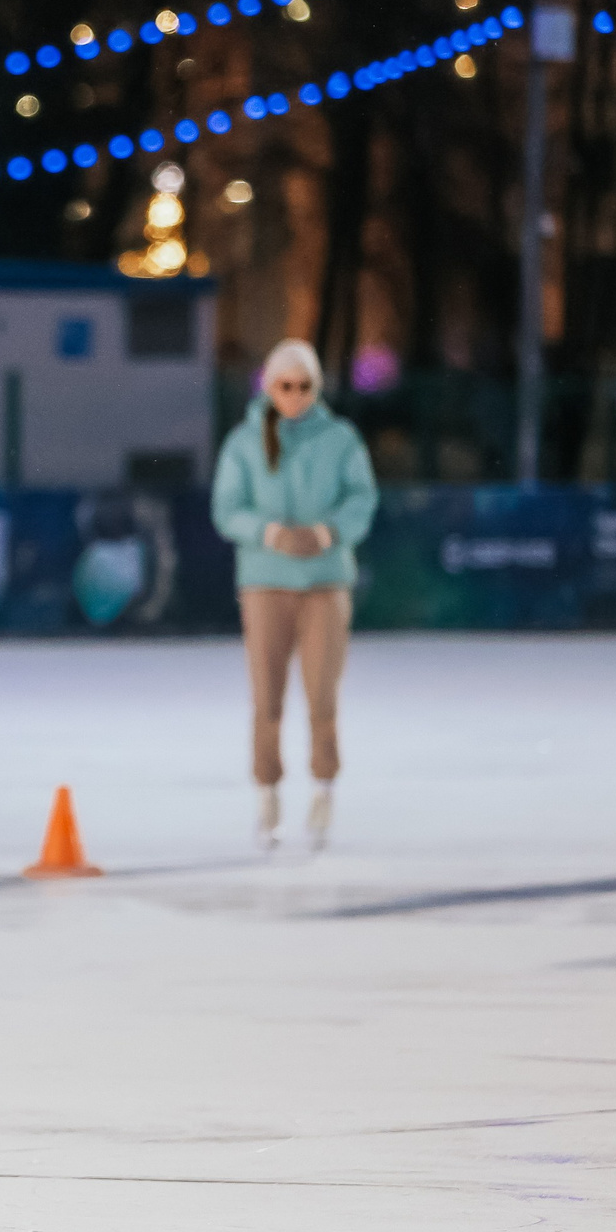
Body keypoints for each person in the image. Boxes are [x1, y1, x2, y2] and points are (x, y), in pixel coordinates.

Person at [210, 338, 378, 852]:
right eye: (285, 386)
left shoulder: (341, 438)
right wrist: (269, 533)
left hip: (325, 584)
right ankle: (267, 791)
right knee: (267, 696)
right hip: (265, 583)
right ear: (268, 385)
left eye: (305, 387)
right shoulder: (244, 442)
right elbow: (227, 507)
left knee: (322, 695)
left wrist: (328, 533)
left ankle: (324, 784)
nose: (295, 396)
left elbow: (362, 497)